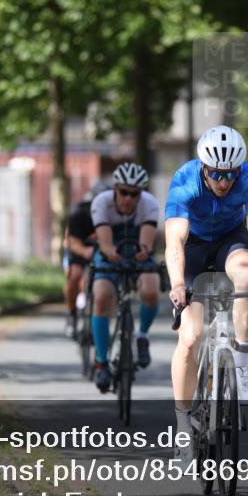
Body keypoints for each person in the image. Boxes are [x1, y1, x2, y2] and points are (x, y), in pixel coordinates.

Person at [165, 126, 248, 457]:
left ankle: (241, 365)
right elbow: (175, 241)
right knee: (190, 337)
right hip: (194, 249)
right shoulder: (186, 180)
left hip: (231, 240)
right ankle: (183, 423)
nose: (224, 181)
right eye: (216, 173)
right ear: (204, 166)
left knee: (247, 279)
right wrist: (176, 284)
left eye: (230, 173)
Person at [90, 163, 161, 392]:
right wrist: (112, 254)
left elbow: (146, 244)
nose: (128, 198)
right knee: (101, 296)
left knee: (151, 288)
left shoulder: (149, 204)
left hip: (136, 248)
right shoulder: (101, 203)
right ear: (115, 189)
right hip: (109, 251)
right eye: (123, 192)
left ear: (141, 193)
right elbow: (106, 243)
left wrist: (142, 254)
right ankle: (101, 362)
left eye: (134, 193)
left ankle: (142, 336)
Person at [63, 180, 111, 339]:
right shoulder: (79, 214)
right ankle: (72, 314)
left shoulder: (114, 215)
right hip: (79, 249)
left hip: (102, 251)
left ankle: (97, 317)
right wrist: (85, 251)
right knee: (76, 276)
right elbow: (70, 242)